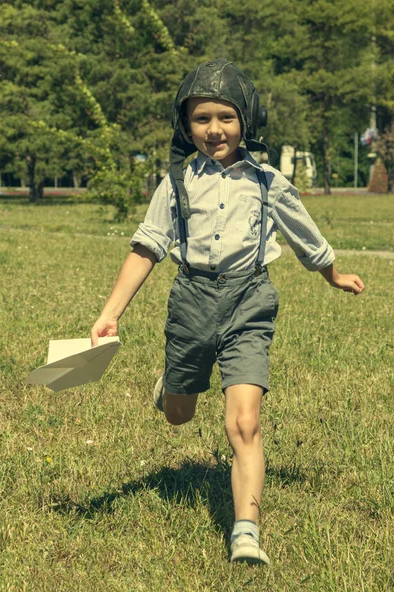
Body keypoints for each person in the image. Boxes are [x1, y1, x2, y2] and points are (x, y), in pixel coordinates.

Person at [91, 59, 365, 565]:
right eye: (201, 118)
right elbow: (147, 246)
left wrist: (332, 273)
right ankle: (172, 385)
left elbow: (305, 233)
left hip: (248, 302)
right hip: (192, 303)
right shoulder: (175, 183)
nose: (214, 129)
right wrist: (112, 313)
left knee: (244, 423)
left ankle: (245, 531)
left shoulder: (266, 180)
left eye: (226, 116)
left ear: (247, 120)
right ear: (185, 123)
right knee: (180, 415)